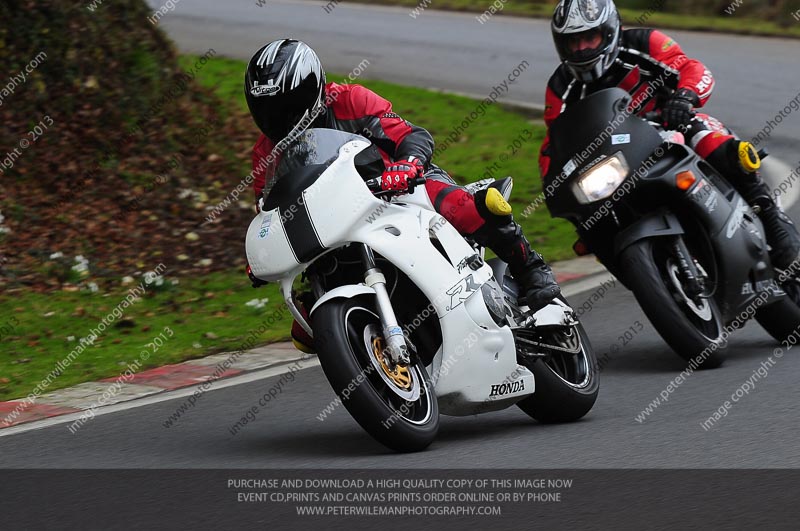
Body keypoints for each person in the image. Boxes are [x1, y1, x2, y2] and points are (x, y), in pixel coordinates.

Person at [244, 39, 560, 352]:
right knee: (305, 332)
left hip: (394, 190)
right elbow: (269, 209)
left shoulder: (348, 99)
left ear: (312, 89)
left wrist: (407, 165)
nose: (276, 119)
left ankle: (531, 269)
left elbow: (410, 134)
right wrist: (266, 253)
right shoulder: (265, 152)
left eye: (285, 107)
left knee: (468, 207)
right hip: (332, 226)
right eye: (266, 111)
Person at [540, 0, 800, 270]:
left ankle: (772, 219)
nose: (582, 49)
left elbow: (693, 69)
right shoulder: (561, 88)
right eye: (573, 42)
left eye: (589, 38)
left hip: (673, 127)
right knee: (593, 230)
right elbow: (554, 144)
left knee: (715, 143)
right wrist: (556, 186)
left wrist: (685, 97)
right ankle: (647, 272)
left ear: (609, 31)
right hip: (619, 160)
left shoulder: (643, 42)